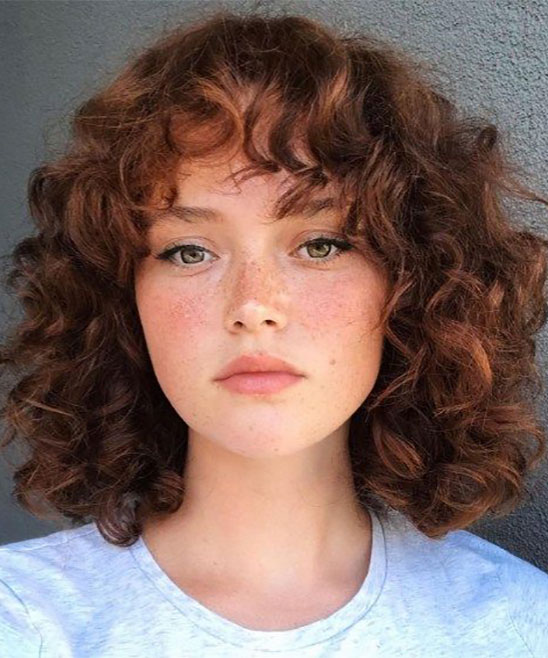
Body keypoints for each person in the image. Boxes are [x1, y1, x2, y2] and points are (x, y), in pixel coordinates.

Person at [0, 8, 547, 657]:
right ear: (124, 300)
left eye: (320, 245)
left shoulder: (519, 626)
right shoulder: (25, 620)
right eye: (189, 251)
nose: (254, 306)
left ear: (410, 286)